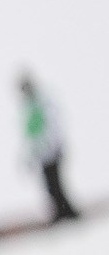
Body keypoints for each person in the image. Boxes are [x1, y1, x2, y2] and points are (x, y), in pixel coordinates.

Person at [20, 71, 81, 222]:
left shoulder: (43, 102)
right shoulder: (29, 107)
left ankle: (68, 213)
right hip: (43, 154)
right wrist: (31, 155)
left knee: (56, 183)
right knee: (50, 185)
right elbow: (31, 135)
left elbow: (53, 127)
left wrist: (53, 147)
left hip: (52, 151)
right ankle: (61, 212)